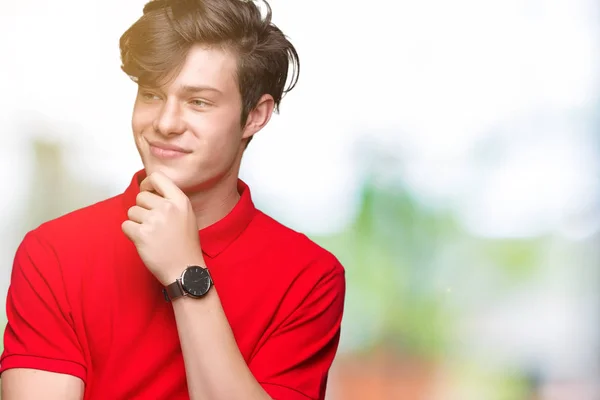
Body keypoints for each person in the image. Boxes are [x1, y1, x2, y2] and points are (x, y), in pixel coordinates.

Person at [0, 0, 346, 399]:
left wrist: (186, 272)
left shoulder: (309, 278)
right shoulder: (55, 252)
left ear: (255, 115)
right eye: (151, 94)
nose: (164, 123)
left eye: (198, 102)